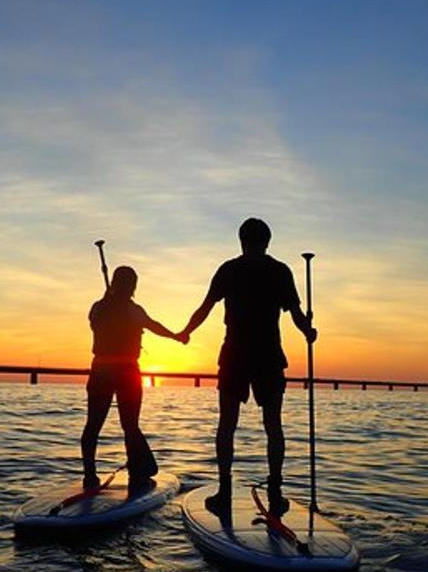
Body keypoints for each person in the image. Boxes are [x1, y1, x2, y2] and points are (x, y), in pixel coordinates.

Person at [179, 217, 315, 513]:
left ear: (241, 240)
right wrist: (307, 331)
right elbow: (296, 313)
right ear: (267, 241)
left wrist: (186, 332)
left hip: (237, 355)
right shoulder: (280, 271)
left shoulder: (230, 269)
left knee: (227, 424)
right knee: (273, 426)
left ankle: (225, 490)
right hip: (266, 354)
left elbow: (205, 307)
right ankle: (275, 491)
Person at [82, 265, 186, 493]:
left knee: (93, 425)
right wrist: (177, 337)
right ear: (132, 287)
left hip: (101, 370)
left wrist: (107, 299)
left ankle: (89, 476)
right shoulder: (132, 310)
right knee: (130, 426)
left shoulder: (98, 308)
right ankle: (136, 476)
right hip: (126, 372)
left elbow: (96, 321)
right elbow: (154, 326)